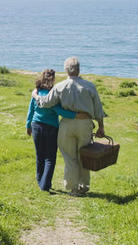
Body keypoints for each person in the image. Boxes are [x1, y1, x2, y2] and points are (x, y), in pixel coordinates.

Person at [32, 57, 106, 195]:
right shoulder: (90, 86)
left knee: (69, 157)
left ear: (66, 70)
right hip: (85, 123)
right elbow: (98, 109)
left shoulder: (59, 86)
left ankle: (73, 187)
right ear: (79, 69)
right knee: (84, 155)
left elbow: (46, 103)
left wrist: (35, 96)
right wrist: (101, 127)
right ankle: (83, 186)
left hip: (66, 123)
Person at [26, 69, 89, 192]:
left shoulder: (37, 92)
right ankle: (45, 185)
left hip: (36, 125)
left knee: (40, 156)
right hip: (51, 128)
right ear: (53, 79)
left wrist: (28, 126)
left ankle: (40, 181)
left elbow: (31, 110)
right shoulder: (53, 94)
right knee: (50, 158)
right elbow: (60, 111)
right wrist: (77, 115)